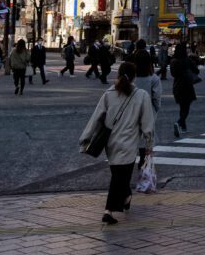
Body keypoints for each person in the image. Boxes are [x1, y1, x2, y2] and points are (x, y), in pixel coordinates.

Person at [79, 62, 155, 225]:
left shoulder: (109, 94)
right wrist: (149, 145)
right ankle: (108, 210)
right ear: (134, 76)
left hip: (111, 143)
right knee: (120, 177)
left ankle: (126, 198)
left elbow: (96, 117)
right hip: (129, 143)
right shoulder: (141, 95)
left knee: (118, 175)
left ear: (119, 74)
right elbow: (147, 123)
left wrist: (85, 138)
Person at [133, 45, 162, 168]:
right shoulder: (153, 78)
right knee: (148, 133)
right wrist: (156, 108)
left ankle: (135, 157)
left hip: (132, 108)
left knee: (134, 132)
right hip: (148, 108)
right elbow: (157, 95)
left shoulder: (132, 77)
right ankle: (144, 159)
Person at [170, 43, 197, 137]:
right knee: (186, 108)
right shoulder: (187, 60)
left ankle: (183, 127)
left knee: (182, 106)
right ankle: (179, 122)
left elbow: (172, 74)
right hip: (187, 86)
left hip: (177, 86)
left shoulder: (174, 61)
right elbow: (196, 70)